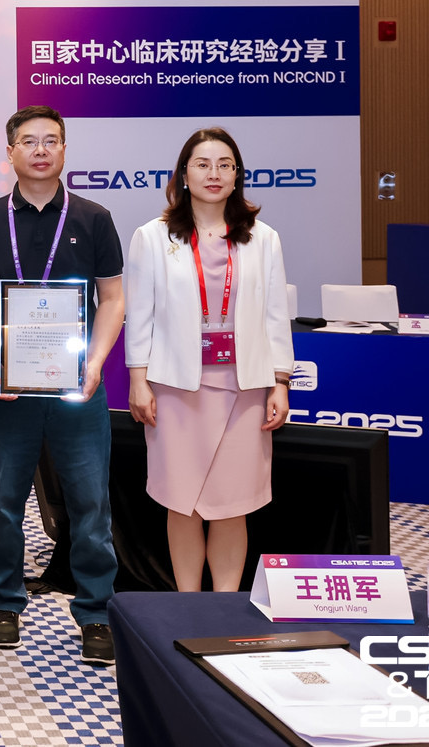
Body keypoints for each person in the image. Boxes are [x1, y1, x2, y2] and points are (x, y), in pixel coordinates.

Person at [0, 105, 125, 665]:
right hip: (8, 386)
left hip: (78, 386)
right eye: (28, 141)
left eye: (51, 140)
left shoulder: (94, 217)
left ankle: (95, 611)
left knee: (91, 502)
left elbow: (113, 299)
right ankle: (5, 601)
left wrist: (96, 361)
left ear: (64, 150)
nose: (40, 150)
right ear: (9, 152)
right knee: (3, 501)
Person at [125, 126, 292, 592]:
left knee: (232, 504)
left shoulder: (263, 239)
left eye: (224, 165)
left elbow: (276, 315)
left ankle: (225, 606)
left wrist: (280, 382)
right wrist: (138, 380)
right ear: (184, 175)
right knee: (183, 503)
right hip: (177, 388)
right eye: (202, 164)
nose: (213, 174)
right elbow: (140, 316)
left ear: (237, 176)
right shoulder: (152, 237)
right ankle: (188, 604)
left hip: (244, 387)